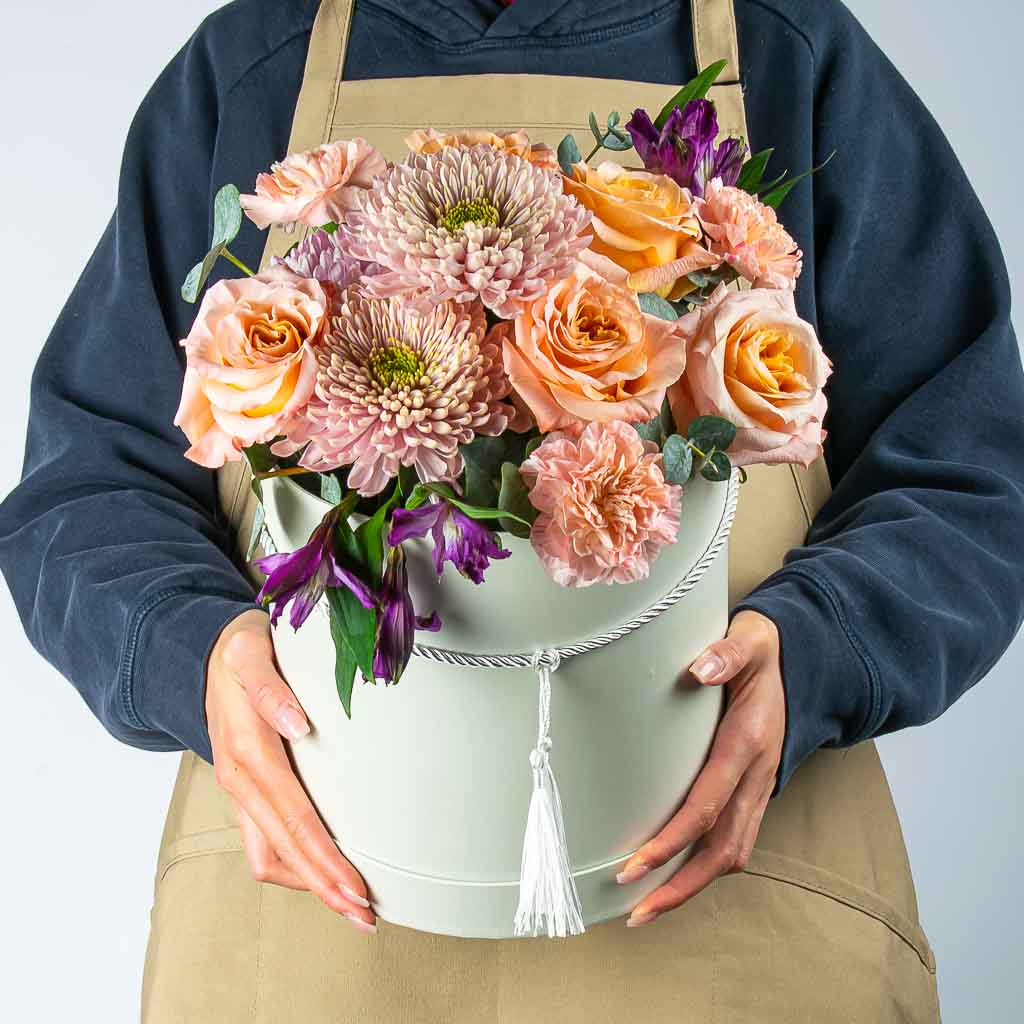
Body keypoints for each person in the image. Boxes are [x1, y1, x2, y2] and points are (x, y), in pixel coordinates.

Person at [2, 0, 1022, 1020]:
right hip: (311, 940)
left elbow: (973, 471)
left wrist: (822, 651)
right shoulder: (250, 64)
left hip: (737, 929)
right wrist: (196, 658)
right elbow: (86, 487)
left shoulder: (789, 51)